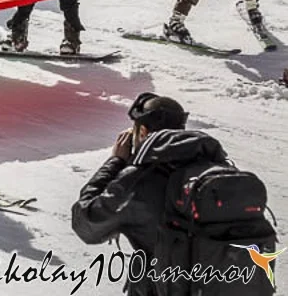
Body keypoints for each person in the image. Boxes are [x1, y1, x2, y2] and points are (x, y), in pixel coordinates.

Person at [71, 92, 276, 294]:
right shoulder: (217, 171)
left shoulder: (138, 180)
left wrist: (115, 162)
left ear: (142, 132)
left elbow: (86, 223)